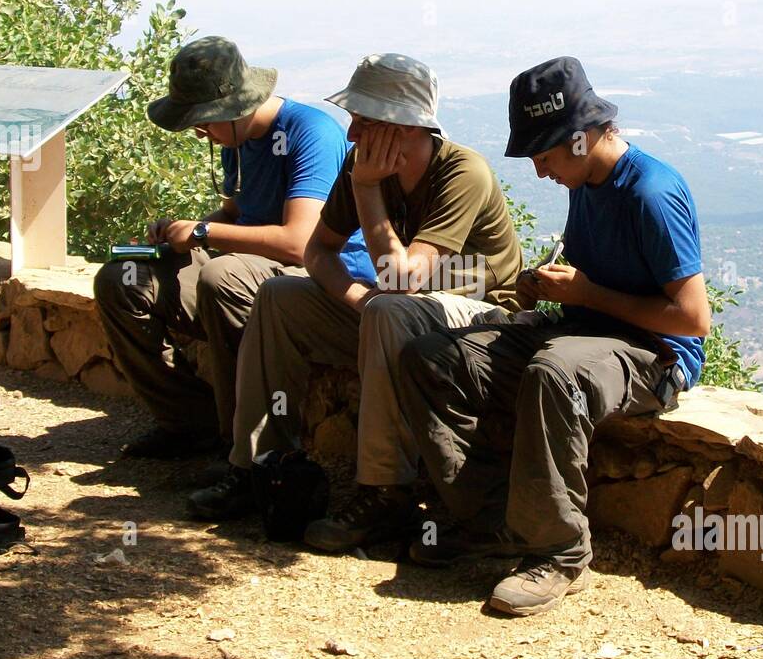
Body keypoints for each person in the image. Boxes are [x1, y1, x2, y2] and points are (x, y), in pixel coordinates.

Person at [396, 56, 711, 616]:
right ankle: (486, 522)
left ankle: (559, 552)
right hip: (585, 333)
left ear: (583, 139)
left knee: (554, 371)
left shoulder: (651, 193)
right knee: (433, 356)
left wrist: (588, 296)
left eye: (544, 156)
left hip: (655, 356)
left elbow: (692, 320)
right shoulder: (587, 182)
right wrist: (545, 288)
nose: (541, 171)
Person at [190, 53, 523, 552]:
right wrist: (356, 299)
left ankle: (385, 494)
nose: (351, 135)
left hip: (479, 327)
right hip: (402, 316)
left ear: (404, 126)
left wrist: (366, 189)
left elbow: (402, 278)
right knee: (278, 295)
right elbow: (317, 249)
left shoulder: (462, 171)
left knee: (390, 308)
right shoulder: (363, 162)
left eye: (364, 122)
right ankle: (259, 466)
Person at [94, 36, 371, 460]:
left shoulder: (309, 132)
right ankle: (187, 421)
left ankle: (242, 450)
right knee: (121, 281)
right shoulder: (235, 143)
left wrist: (204, 234)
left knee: (221, 276)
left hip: (312, 279)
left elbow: (299, 243)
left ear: (239, 107)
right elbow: (237, 211)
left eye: (205, 119)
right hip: (246, 273)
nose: (199, 129)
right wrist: (177, 234)